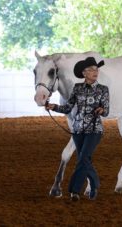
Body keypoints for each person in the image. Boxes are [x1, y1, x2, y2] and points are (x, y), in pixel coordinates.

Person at [45, 57, 109, 201]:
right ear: (84, 73)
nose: (95, 72)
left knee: (83, 159)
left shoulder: (103, 90)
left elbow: (107, 111)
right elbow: (68, 107)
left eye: (96, 69)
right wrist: (54, 107)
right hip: (78, 130)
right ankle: (94, 184)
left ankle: (74, 191)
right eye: (91, 69)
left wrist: (101, 110)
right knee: (84, 160)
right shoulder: (77, 88)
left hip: (94, 129)